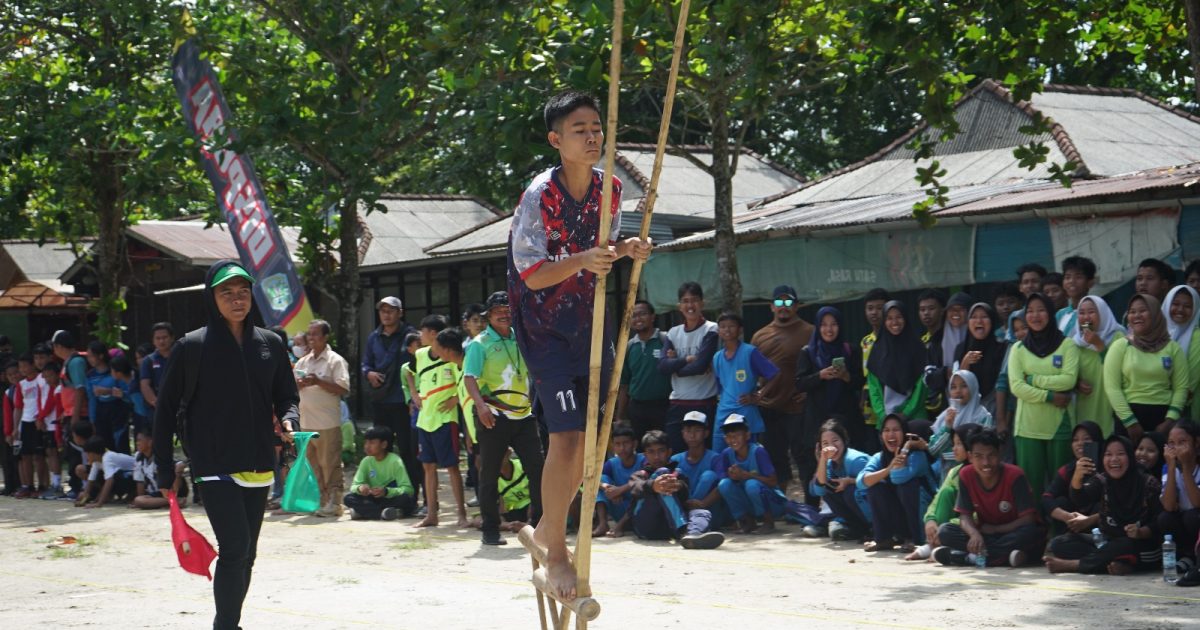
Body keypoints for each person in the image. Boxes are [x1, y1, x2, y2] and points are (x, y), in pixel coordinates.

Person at [506, 90, 652, 602]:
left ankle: (546, 527)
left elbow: (602, 251)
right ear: (556, 140)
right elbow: (534, 273)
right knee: (566, 437)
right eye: (579, 130)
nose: (592, 137)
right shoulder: (538, 196)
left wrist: (626, 249)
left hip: (590, 321)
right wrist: (586, 258)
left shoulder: (610, 189)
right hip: (544, 328)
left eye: (596, 128)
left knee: (594, 439)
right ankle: (558, 553)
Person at [153, 260, 300, 630]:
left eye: (243, 292)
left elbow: (287, 395)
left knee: (246, 554)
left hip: (259, 459)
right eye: (227, 293)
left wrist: (289, 419)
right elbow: (165, 410)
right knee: (235, 549)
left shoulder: (270, 343)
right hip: (213, 461)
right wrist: (163, 466)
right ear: (212, 298)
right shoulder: (192, 346)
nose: (237, 300)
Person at [462, 290, 544, 545]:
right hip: (494, 415)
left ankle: (541, 526)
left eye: (509, 310)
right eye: (499, 311)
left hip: (523, 414)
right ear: (489, 316)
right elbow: (469, 378)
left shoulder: (521, 337)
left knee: (538, 470)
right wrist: (481, 407)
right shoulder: (479, 343)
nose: (505, 315)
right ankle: (490, 529)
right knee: (488, 473)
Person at [1045, 436, 1163, 574]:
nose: (1114, 459)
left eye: (1120, 454)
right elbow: (1081, 499)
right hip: (1109, 541)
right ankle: (1118, 563)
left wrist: (1141, 532)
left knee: (1124, 545)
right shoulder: (1103, 479)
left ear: (1130, 457)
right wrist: (1077, 476)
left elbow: (1160, 521)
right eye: (1108, 454)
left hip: (1140, 545)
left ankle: (1074, 565)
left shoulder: (1148, 483)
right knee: (1060, 543)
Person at [933, 428, 1044, 567]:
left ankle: (968, 558)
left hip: (1012, 532)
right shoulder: (966, 475)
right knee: (945, 531)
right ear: (970, 457)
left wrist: (997, 529)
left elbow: (1028, 519)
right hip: (986, 534)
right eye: (978, 456)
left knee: (1032, 533)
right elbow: (964, 516)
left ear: (1000, 454)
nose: (986, 462)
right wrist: (974, 534)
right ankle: (1003, 557)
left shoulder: (1015, 475)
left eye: (991, 455)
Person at [1008, 293, 1078, 497]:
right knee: (1031, 491)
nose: (1035, 315)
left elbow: (1069, 380)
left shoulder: (1067, 345)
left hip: (1060, 427)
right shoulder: (1018, 349)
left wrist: (1032, 380)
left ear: (1050, 313)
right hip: (1028, 429)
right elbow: (1016, 387)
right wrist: (1049, 396)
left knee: (1061, 488)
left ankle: (1061, 529)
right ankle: (1035, 529)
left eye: (1041, 310)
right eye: (1030, 311)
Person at [750, 284, 815, 492]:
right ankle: (781, 505)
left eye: (788, 302)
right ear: (771, 307)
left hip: (798, 408)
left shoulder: (810, 332)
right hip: (768, 407)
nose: (783, 306)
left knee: (804, 456)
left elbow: (820, 368)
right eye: (779, 302)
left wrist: (809, 391)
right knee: (773, 458)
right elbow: (753, 372)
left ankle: (811, 506)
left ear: (796, 306)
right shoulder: (760, 336)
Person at [794, 306, 863, 494]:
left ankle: (845, 510)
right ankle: (813, 511)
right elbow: (799, 383)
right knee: (813, 463)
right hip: (816, 417)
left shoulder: (850, 350)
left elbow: (859, 381)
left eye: (833, 325)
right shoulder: (808, 352)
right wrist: (820, 376)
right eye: (824, 325)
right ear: (818, 327)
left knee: (845, 461)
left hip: (845, 416)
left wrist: (846, 377)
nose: (829, 329)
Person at [1104, 294, 1189, 444]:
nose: (1136, 316)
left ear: (1156, 314)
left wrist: (1169, 421)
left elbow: (1181, 388)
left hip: (1163, 419)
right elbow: (1112, 388)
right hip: (1128, 417)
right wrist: (1130, 422)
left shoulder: (1173, 348)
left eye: (1143, 310)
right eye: (1132, 311)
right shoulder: (1120, 346)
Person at [362, 296, 422, 505]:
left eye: (391, 310)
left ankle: (412, 496)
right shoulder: (373, 337)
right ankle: (382, 495)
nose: (386, 315)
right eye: (382, 311)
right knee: (380, 450)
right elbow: (365, 364)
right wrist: (369, 373)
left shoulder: (411, 336)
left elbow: (419, 364)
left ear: (400, 312)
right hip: (381, 401)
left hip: (404, 402)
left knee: (408, 450)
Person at [411, 316, 468, 529]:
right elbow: (408, 373)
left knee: (452, 467)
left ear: (433, 334)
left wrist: (455, 399)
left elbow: (463, 379)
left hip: (446, 419)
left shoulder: (450, 355)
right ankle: (432, 514)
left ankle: (461, 514)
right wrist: (414, 394)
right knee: (427, 466)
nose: (420, 335)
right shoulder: (419, 355)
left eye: (423, 331)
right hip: (425, 419)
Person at [627, 430, 725, 549]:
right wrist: (653, 485)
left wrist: (678, 486)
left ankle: (692, 536)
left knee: (702, 513)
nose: (656, 456)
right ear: (645, 455)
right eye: (651, 452)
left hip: (668, 526)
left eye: (661, 451)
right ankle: (684, 530)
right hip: (646, 525)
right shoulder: (640, 474)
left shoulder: (678, 474)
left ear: (669, 452)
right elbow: (635, 487)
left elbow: (684, 497)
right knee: (662, 474)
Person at [293, 319, 351, 517]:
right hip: (306, 422)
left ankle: (335, 503)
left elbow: (343, 388)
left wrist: (318, 381)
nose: (311, 338)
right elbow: (291, 387)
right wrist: (299, 385)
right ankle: (322, 500)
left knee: (330, 463)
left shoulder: (335, 360)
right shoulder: (303, 362)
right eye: (309, 334)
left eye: (315, 334)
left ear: (326, 337)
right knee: (313, 465)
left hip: (327, 422)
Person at [857, 413, 934, 552]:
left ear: (905, 433)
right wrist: (889, 468)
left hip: (923, 514)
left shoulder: (917, 455)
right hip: (901, 514)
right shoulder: (879, 457)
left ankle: (916, 540)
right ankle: (884, 539)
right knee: (875, 488)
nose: (891, 434)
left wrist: (905, 450)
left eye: (896, 430)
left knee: (907, 486)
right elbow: (861, 481)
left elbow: (899, 478)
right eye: (886, 430)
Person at [659, 282, 719, 453]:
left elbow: (699, 366)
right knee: (677, 454)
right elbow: (662, 367)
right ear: (679, 306)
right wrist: (686, 359)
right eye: (685, 301)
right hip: (677, 404)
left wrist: (675, 366)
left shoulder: (711, 329)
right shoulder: (673, 332)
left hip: (704, 402)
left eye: (694, 300)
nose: (690, 305)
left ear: (702, 303)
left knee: (706, 453)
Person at [907, 424, 978, 561]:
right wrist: (931, 520)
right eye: (954, 443)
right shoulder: (955, 471)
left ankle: (941, 544)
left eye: (959, 444)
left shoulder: (979, 473)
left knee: (949, 531)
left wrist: (946, 526)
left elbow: (978, 515)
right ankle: (935, 544)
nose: (954, 448)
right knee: (946, 492)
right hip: (949, 526)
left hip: (968, 527)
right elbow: (937, 500)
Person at [711, 311, 779, 450]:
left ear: (740, 330)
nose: (727, 330)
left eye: (731, 326)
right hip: (723, 414)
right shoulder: (717, 357)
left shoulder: (750, 352)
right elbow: (720, 387)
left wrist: (759, 395)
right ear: (718, 331)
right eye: (723, 326)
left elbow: (775, 374)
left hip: (746, 414)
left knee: (749, 457)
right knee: (720, 458)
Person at [715, 414, 786, 534]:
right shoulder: (727, 454)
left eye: (737, 435)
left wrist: (746, 475)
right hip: (749, 502)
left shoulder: (758, 451)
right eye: (729, 437)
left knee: (752, 484)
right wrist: (732, 476)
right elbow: (722, 479)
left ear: (747, 435)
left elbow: (773, 481)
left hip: (772, 502)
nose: (733, 440)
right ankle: (747, 521)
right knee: (724, 484)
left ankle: (768, 521)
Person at [617, 300, 672, 444]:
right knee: (642, 451)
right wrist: (620, 417)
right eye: (633, 316)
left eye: (642, 314)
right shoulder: (629, 347)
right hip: (637, 408)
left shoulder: (665, 340)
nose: (638, 319)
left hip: (664, 406)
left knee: (665, 447)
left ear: (653, 317)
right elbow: (624, 384)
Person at [808, 419, 872, 541]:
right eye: (825, 443)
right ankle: (858, 529)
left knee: (850, 492)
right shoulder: (828, 462)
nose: (831, 446)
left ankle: (873, 527)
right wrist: (822, 459)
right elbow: (819, 489)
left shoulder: (855, 460)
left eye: (835, 440)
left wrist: (850, 481)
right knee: (828, 491)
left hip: (878, 509)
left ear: (844, 440)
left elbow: (878, 484)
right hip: (858, 508)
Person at [866, 301, 929, 422]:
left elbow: (923, 385)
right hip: (887, 424)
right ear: (884, 321)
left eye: (899, 317)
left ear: (905, 318)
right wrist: (884, 416)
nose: (894, 322)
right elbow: (873, 388)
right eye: (889, 318)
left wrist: (906, 413)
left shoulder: (917, 347)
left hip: (914, 419)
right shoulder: (878, 349)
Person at [1073, 295, 1124, 437]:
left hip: (1110, 404)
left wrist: (1099, 344)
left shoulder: (1118, 337)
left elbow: (1121, 370)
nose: (1086, 317)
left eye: (1091, 312)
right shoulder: (1075, 343)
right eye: (1081, 313)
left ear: (1102, 313)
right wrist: (1076, 383)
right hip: (1085, 405)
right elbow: (1069, 372)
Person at [1041, 421, 1104, 537]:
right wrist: (1068, 517)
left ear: (1097, 442)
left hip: (1099, 524)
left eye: (1087, 439)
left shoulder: (1108, 467)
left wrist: (1088, 520)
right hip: (1073, 524)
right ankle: (1066, 539)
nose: (1080, 444)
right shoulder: (1067, 469)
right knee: (1061, 502)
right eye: (1075, 440)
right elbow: (1047, 498)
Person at [928, 370, 993, 477]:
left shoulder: (983, 416)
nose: (958, 391)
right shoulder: (945, 416)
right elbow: (933, 449)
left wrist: (949, 453)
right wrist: (947, 426)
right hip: (948, 473)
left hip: (975, 472)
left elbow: (984, 448)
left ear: (973, 387)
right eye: (953, 387)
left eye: (964, 386)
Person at [345, 425, 416, 521]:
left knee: (406, 499)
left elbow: (408, 489)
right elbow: (354, 486)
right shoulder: (366, 461)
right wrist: (360, 488)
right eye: (366, 442)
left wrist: (386, 491)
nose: (367, 446)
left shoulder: (395, 461)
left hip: (389, 498)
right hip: (372, 498)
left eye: (372, 443)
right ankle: (387, 513)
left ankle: (363, 512)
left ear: (384, 445)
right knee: (348, 498)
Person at [670, 411, 726, 528]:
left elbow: (722, 487)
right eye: (688, 431)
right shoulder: (675, 459)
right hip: (684, 511)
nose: (692, 435)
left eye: (697, 430)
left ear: (706, 433)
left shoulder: (715, 458)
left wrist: (702, 504)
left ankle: (693, 518)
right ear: (683, 433)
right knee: (677, 473)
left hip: (709, 510)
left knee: (709, 476)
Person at [1159, 420, 1200, 572]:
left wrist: (1186, 468)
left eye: (1182, 442)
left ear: (1196, 442)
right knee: (1165, 518)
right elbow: (1169, 505)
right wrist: (1171, 467)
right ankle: (1186, 555)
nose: (1176, 448)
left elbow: (1197, 502)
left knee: (1193, 516)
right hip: (1183, 520)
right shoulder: (1168, 467)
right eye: (1171, 443)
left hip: (1196, 518)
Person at [954, 303, 1007, 414]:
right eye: (974, 317)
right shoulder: (961, 349)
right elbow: (956, 387)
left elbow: (1003, 382)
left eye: (984, 316)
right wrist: (965, 363)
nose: (979, 321)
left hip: (995, 410)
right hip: (966, 411)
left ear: (992, 321)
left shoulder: (1002, 348)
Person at [593, 424, 644, 538]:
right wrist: (607, 488)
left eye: (626, 443)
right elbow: (592, 481)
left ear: (634, 444)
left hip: (639, 511)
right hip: (620, 508)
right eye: (617, 444)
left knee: (644, 489)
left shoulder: (643, 460)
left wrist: (619, 490)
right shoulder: (612, 463)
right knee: (601, 479)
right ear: (613, 446)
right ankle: (602, 524)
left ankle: (620, 526)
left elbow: (645, 482)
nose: (622, 448)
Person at [858, 287, 891, 449]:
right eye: (870, 308)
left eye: (879, 308)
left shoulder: (895, 339)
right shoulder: (865, 342)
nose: (874, 313)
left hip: (891, 403)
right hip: (870, 408)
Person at [9, 353, 44, 497]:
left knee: (39, 456)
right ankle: (28, 486)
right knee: (25, 456)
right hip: (26, 421)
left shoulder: (41, 380)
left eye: (25, 366)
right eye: (20, 366)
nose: (22, 369)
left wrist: (41, 417)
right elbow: (18, 407)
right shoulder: (21, 385)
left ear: (32, 365)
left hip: (38, 421)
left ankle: (42, 486)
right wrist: (15, 427)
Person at [1164, 285, 1200, 421]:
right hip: (1156, 406)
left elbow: (1190, 383)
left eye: (1187, 306)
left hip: (1185, 411)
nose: (1180, 310)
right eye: (1175, 304)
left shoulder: (1197, 337)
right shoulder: (1157, 333)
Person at [130, 429, 188, 510]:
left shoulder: (161, 456)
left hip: (171, 490)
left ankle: (174, 499)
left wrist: (178, 470)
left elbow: (178, 467)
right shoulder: (138, 457)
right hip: (157, 493)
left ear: (150, 442)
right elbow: (140, 482)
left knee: (139, 501)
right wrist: (140, 500)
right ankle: (174, 502)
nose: (137, 443)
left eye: (140, 440)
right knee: (139, 500)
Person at [75, 435, 135, 507]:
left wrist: (99, 503)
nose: (87, 456)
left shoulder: (108, 457)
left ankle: (133, 493)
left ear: (95, 453)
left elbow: (110, 480)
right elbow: (91, 480)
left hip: (133, 476)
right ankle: (105, 496)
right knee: (101, 477)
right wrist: (84, 498)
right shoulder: (97, 461)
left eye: (88, 453)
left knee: (114, 477)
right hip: (126, 476)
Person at [36, 361, 65, 498]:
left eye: (50, 376)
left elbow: (52, 406)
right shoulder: (48, 388)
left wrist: (41, 417)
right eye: (45, 376)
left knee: (54, 454)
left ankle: (57, 484)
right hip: (49, 424)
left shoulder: (58, 389)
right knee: (50, 453)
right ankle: (55, 483)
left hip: (55, 425)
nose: (48, 379)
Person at [139, 322, 174, 430]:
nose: (161, 341)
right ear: (153, 340)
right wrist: (158, 404)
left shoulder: (180, 357)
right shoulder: (148, 361)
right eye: (158, 338)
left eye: (164, 337)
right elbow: (145, 385)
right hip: (157, 409)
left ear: (172, 338)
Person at [1056, 256, 1097, 337]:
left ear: (1090, 282)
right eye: (1067, 277)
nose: (1071, 281)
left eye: (1078, 277)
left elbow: (1087, 340)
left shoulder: (1092, 313)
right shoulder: (1060, 314)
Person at [0, 361, 20, 495]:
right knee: (5, 457)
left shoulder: (13, 389)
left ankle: (18, 484)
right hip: (6, 425)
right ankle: (9, 484)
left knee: (16, 456)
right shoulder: (9, 390)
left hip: (14, 425)